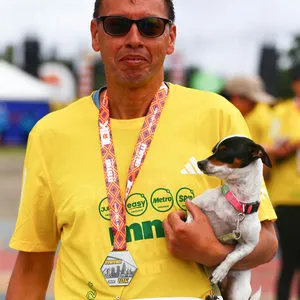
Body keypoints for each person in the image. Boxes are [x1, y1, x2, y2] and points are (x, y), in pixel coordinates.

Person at [7, 1, 278, 299]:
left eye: (151, 26)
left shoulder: (217, 116)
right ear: (96, 35)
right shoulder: (50, 134)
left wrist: (212, 252)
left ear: (170, 38)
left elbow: (265, 241)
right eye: (117, 25)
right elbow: (33, 262)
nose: (134, 38)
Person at [265, 69, 300, 300]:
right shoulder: (281, 112)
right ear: (296, 84)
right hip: (287, 198)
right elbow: (271, 149)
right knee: (289, 261)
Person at [224, 75, 276, 179]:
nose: (255, 106)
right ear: (236, 97)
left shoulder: (242, 120)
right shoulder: (221, 120)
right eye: (252, 102)